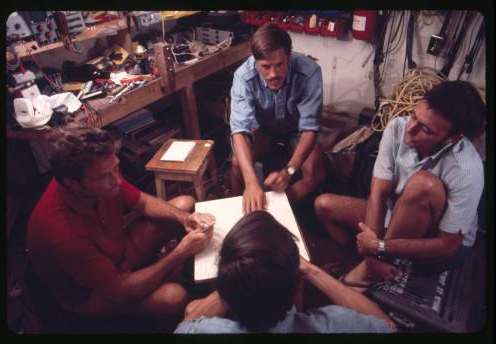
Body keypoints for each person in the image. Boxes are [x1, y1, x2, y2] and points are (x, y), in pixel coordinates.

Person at [27, 123, 216, 324]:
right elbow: (118, 292)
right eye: (105, 176)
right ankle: (168, 280)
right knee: (174, 297)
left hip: (117, 255)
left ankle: (165, 274)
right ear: (72, 184)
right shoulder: (60, 232)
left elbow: (143, 202)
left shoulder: (101, 171)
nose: (117, 180)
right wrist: (181, 252)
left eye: (116, 168)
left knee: (184, 206)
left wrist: (184, 218)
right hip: (95, 294)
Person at [314, 80, 485, 290]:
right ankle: (360, 267)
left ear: (452, 138)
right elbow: (378, 194)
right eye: (414, 116)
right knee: (324, 205)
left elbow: (447, 246)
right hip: (398, 217)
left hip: (439, 243)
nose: (411, 130)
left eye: (426, 130)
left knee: (423, 184)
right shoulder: (397, 128)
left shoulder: (466, 169)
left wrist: (380, 247)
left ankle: (364, 276)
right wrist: (371, 256)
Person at [174, 211, 395, 333]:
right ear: (295, 281)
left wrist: (238, 278)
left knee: (192, 308)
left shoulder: (208, 331)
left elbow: (183, 328)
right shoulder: (333, 324)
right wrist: (310, 270)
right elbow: (388, 327)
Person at [230, 23, 326, 214]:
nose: (273, 74)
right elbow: (240, 131)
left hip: (297, 130)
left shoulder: (310, 71)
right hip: (264, 131)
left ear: (289, 56)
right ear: (255, 61)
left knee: (315, 175)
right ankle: (238, 211)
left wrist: (289, 171)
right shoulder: (243, 76)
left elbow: (310, 129)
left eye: (279, 65)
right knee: (236, 164)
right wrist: (251, 183)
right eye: (265, 67)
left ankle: (276, 212)